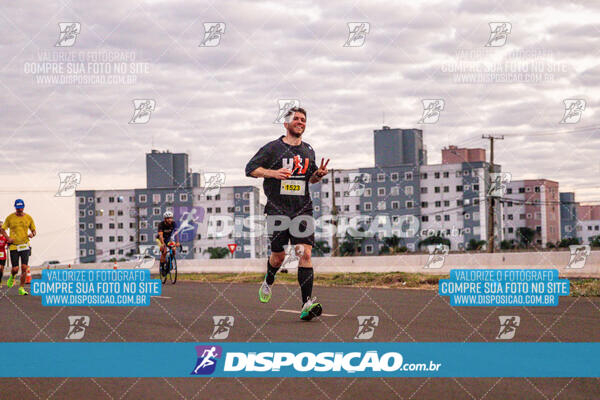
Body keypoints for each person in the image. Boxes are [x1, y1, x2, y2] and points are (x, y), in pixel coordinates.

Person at [245, 107, 329, 321]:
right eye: (296, 119)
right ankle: (269, 279)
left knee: (305, 253)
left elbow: (309, 180)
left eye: (303, 119)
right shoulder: (273, 148)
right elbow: (250, 169)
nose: (300, 122)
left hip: (303, 209)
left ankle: (306, 304)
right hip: (277, 210)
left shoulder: (309, 150)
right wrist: (273, 173)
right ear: (286, 124)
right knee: (278, 257)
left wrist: (317, 175)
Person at [1, 199, 36, 295]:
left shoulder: (28, 218)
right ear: (15, 208)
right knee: (15, 269)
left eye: (21, 208)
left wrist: (32, 234)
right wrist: (8, 238)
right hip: (14, 246)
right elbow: (2, 229)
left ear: (23, 207)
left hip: (25, 245)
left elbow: (34, 230)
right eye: (17, 209)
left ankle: (21, 288)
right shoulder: (10, 218)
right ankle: (12, 277)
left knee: (24, 267)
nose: (19, 210)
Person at [0, 223, 7, 287]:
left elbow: (8, 244)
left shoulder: (5, 236)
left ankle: (0, 281)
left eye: (1, 227)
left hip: (2, 255)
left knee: (1, 269)